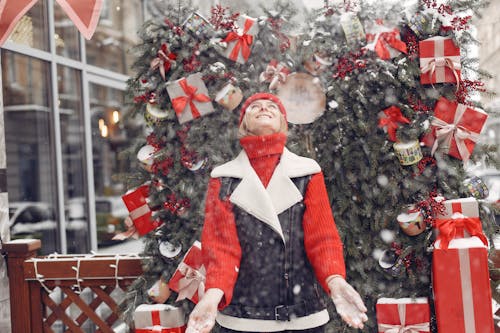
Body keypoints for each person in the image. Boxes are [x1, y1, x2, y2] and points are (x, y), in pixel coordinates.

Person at [186, 93, 368, 333]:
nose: (264, 107)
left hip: (302, 316)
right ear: (244, 124)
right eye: (255, 107)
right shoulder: (223, 178)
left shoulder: (307, 172)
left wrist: (335, 280)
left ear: (283, 120)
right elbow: (221, 248)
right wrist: (211, 296)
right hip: (243, 318)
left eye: (272, 106)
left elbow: (322, 238)